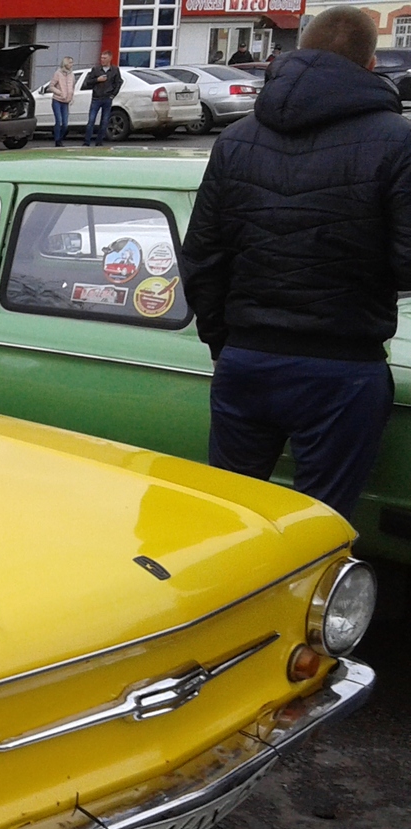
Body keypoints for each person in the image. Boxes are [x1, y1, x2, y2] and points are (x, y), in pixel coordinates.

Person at [181, 6, 411, 519]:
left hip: (246, 359)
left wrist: (225, 342)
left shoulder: (237, 139)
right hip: (343, 367)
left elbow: (201, 255)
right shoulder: (397, 142)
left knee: (228, 520)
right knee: (320, 529)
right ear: (371, 65)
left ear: (297, 52)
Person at [82, 50, 121, 146]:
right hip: (96, 98)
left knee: (104, 121)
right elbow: (88, 82)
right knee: (91, 120)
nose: (102, 60)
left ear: (110, 58)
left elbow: (118, 82)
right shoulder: (96, 69)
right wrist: (97, 80)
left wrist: (113, 95)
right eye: (101, 58)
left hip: (107, 98)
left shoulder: (115, 70)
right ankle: (87, 142)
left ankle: (99, 142)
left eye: (104, 58)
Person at [50, 56, 76, 147]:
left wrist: (71, 96)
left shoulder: (71, 74)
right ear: (65, 63)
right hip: (57, 100)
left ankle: (60, 138)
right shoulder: (58, 73)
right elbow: (51, 86)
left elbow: (72, 86)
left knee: (65, 124)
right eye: (70, 62)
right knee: (59, 121)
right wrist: (59, 92)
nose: (71, 64)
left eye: (72, 63)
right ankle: (57, 141)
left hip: (66, 101)